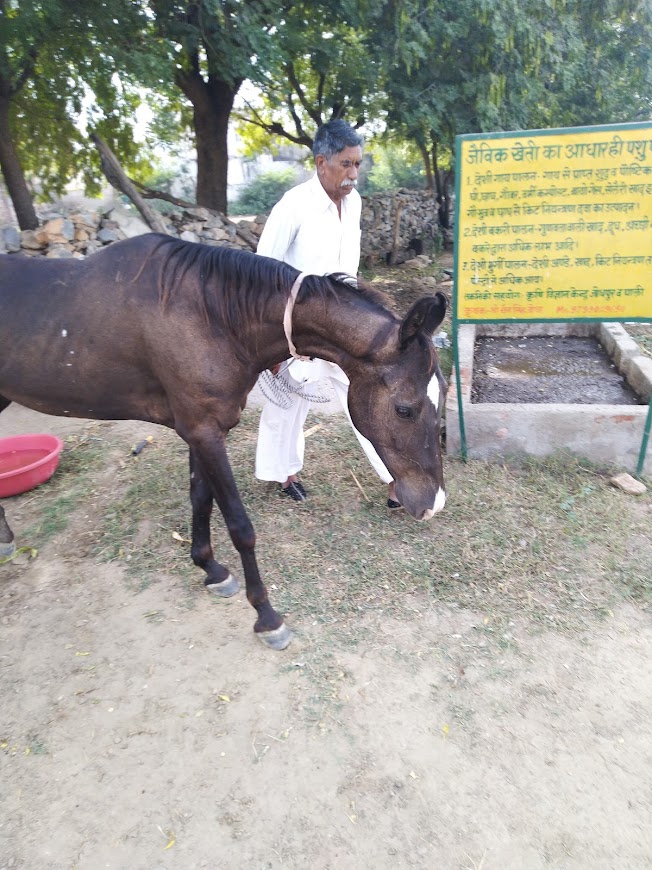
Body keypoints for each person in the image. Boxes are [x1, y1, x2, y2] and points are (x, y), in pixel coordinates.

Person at [254, 119, 401, 508]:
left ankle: (394, 478)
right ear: (322, 162)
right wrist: (271, 343)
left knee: (367, 395)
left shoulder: (354, 204)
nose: (354, 174)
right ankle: (284, 474)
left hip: (346, 323)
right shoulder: (293, 206)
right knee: (287, 402)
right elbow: (261, 272)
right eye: (346, 164)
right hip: (297, 328)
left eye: (358, 164)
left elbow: (347, 268)